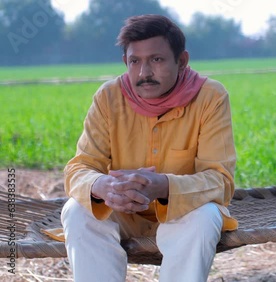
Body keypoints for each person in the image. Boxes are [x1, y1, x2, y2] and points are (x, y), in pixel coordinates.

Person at [61, 14, 238, 282]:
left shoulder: (210, 97)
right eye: (135, 61)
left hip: (183, 212)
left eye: (156, 60)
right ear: (125, 62)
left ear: (182, 61)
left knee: (205, 216)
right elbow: (79, 168)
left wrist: (163, 185)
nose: (144, 73)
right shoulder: (108, 97)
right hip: (121, 210)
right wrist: (103, 186)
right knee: (76, 211)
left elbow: (220, 180)